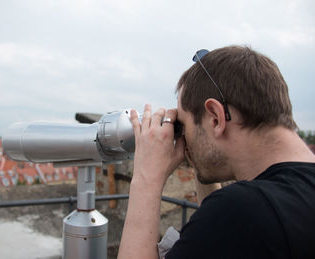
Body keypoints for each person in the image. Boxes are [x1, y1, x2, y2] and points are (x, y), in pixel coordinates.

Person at [117, 46, 315, 259]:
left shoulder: (242, 211)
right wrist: (200, 162)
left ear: (215, 118)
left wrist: (146, 176)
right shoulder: (284, 203)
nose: (185, 139)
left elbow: (226, 221)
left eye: (184, 126)